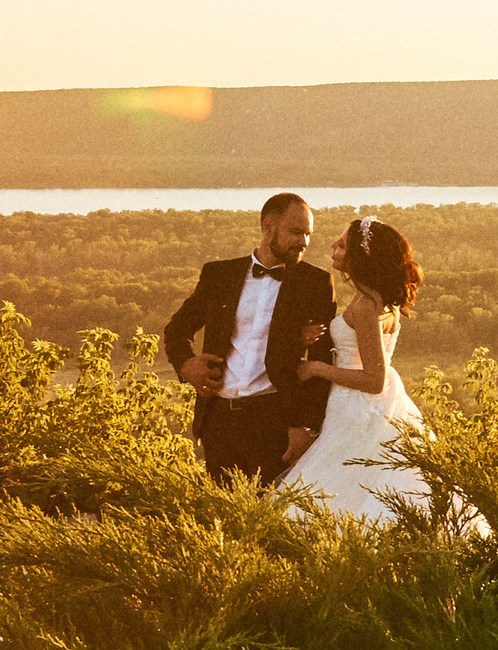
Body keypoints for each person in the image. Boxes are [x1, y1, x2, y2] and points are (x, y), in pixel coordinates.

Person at [162, 193, 339, 484]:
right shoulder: (219, 275)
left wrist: (305, 426)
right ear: (268, 226)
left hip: (275, 421)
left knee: (271, 514)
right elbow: (176, 330)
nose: (304, 242)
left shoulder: (316, 283)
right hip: (217, 419)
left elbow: (320, 360)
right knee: (222, 514)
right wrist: (186, 365)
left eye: (308, 234)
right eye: (296, 232)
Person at [280, 215, 438, 520]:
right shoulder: (380, 298)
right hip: (378, 402)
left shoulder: (367, 305)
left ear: (360, 257)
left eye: (341, 244)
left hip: (358, 403)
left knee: (337, 486)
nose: (333, 247)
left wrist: (314, 367)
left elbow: (373, 379)